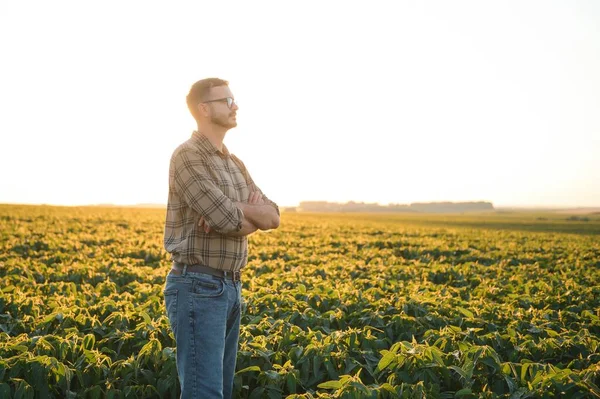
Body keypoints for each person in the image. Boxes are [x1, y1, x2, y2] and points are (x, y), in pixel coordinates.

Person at [163, 78, 280, 399]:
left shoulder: (234, 163)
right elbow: (226, 219)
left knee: (221, 392)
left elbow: (273, 216)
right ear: (204, 109)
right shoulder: (187, 156)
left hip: (230, 288)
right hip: (198, 286)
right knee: (205, 393)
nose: (235, 106)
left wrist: (239, 212)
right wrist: (243, 213)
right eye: (227, 100)